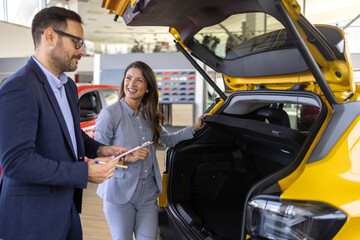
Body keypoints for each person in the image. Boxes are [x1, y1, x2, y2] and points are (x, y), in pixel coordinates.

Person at [0, 7, 149, 240]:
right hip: (31, 219)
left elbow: (70, 134)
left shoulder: (67, 87)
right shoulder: (19, 87)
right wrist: (84, 171)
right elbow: (17, 163)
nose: (82, 51)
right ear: (50, 36)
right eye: (77, 42)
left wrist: (100, 149)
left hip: (67, 209)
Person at [94, 61, 208, 240]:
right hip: (119, 194)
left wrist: (195, 127)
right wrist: (128, 158)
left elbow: (168, 140)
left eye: (138, 80)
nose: (131, 84)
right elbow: (98, 155)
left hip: (148, 193)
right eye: (129, 78)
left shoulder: (149, 115)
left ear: (147, 88)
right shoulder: (110, 114)